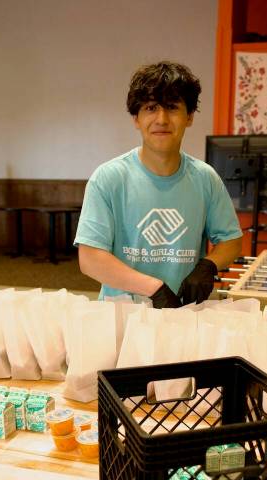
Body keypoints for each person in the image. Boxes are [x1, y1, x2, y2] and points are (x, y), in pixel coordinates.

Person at [74, 61, 242, 308]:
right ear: (136, 119)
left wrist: (209, 264)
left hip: (182, 310)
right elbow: (90, 259)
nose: (161, 119)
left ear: (189, 117)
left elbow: (231, 241)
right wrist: (153, 287)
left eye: (172, 107)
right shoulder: (108, 178)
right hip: (120, 314)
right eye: (151, 108)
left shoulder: (205, 179)